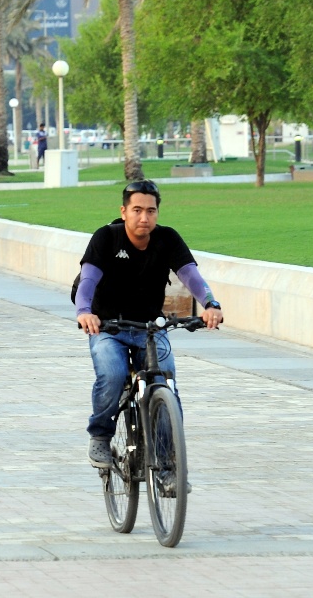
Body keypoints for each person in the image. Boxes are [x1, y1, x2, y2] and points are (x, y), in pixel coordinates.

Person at [75, 180, 224, 470]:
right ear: (124, 211)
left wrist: (210, 304)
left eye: (151, 211)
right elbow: (88, 280)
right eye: (137, 210)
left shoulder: (167, 239)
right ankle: (101, 437)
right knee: (113, 373)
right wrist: (84, 311)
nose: (144, 218)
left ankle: (168, 467)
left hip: (150, 330)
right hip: (108, 328)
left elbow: (191, 277)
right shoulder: (106, 237)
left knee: (165, 384)